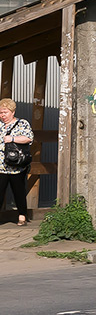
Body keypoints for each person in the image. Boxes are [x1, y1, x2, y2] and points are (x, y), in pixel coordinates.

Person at [0, 97, 34, 226]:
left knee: (18, 192)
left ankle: (22, 216)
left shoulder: (22, 124)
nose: (3, 115)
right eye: (1, 113)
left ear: (12, 112)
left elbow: (28, 138)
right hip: (1, 166)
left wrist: (12, 138)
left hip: (16, 166)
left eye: (5, 112)